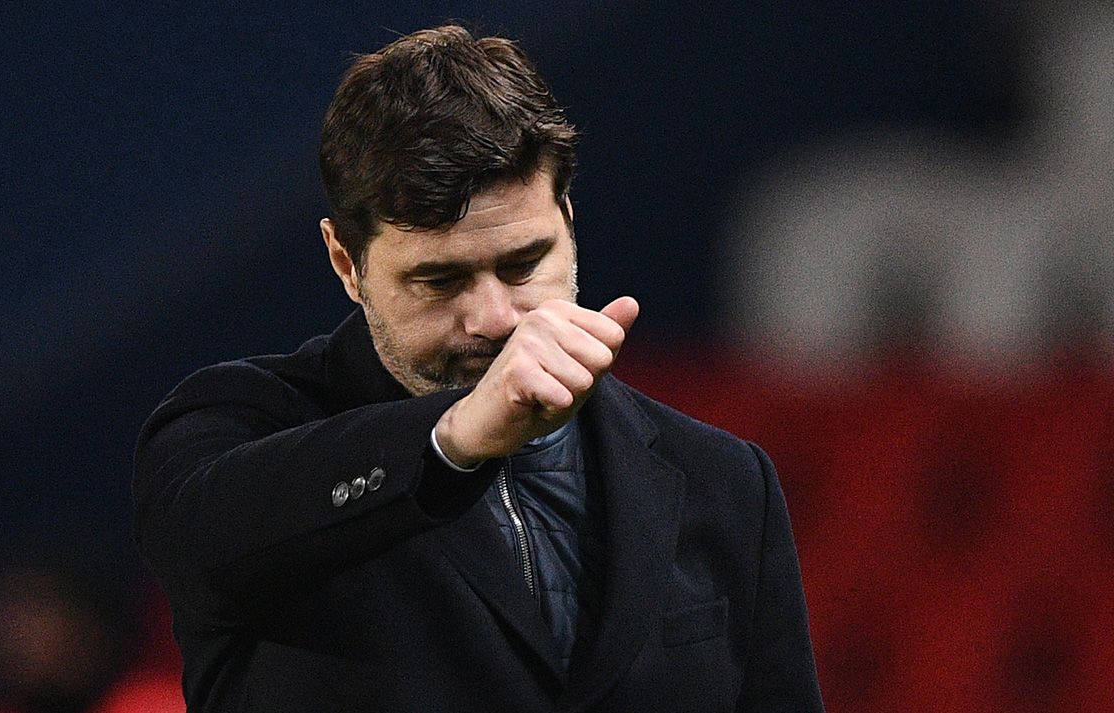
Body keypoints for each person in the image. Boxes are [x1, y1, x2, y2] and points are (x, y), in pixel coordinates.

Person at [133, 24, 823, 712]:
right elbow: (204, 543)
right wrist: (453, 439)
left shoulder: (725, 480)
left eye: (524, 263)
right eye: (439, 280)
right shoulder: (233, 432)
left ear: (569, 222)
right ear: (346, 262)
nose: (495, 318)